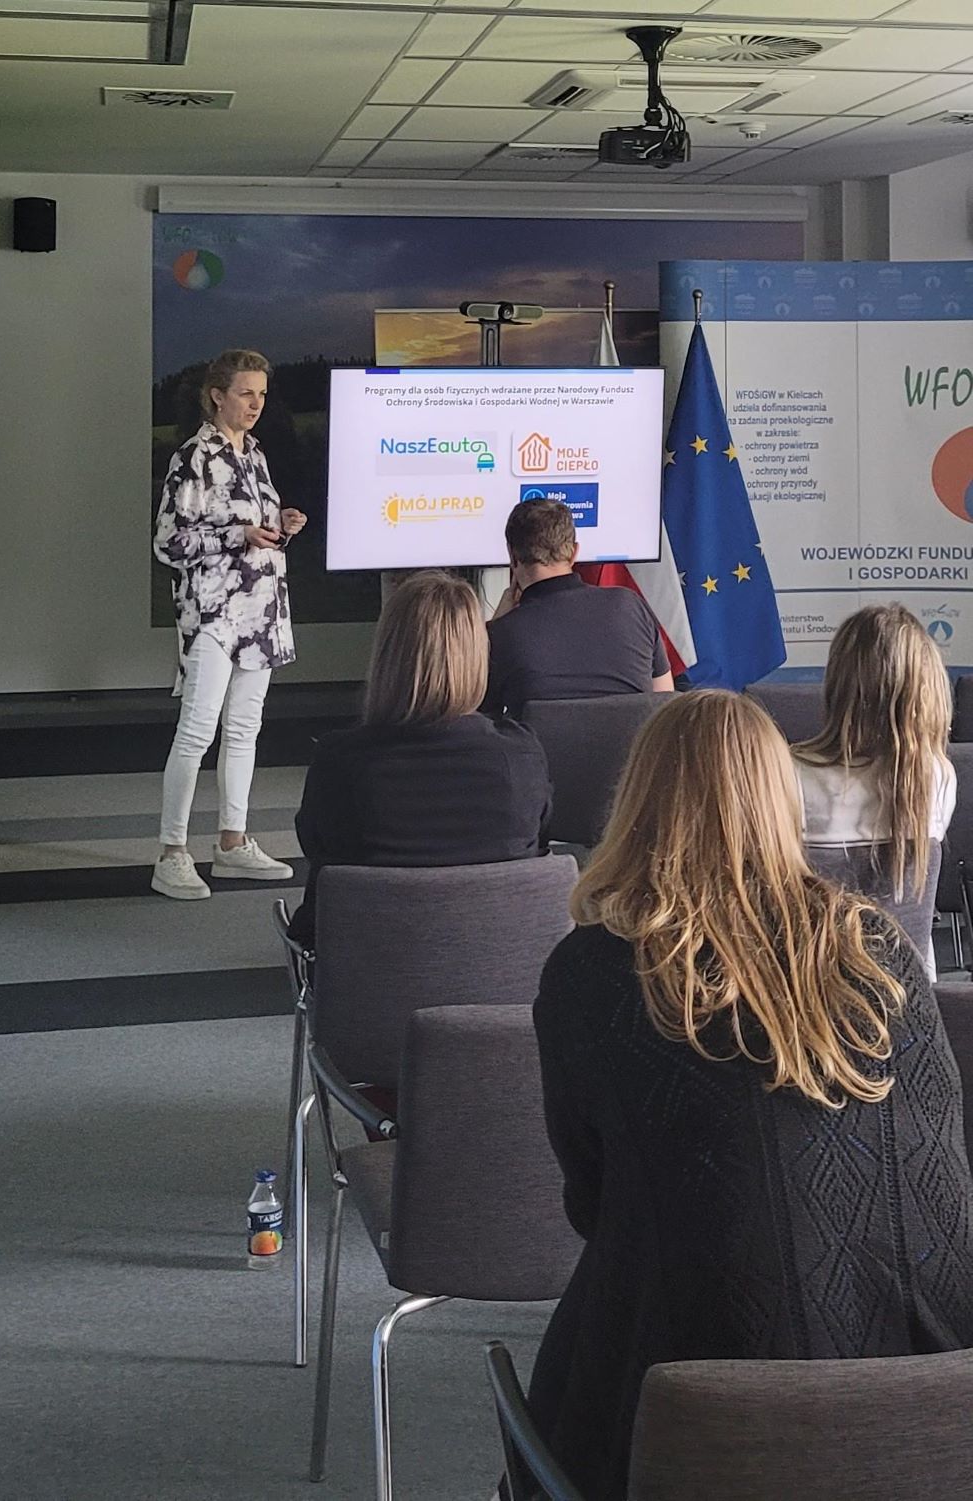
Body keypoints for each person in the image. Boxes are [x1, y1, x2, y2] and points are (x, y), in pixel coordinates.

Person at [529, 690, 973, 1501]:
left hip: (706, 1421)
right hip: (935, 1411)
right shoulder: (879, 948)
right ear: (779, 799)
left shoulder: (592, 974)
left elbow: (591, 1201)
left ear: (638, 802)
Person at [290, 570, 551, 946]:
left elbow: (317, 845)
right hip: (502, 966)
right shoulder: (520, 756)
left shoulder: (340, 762)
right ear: (478, 656)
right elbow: (536, 843)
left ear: (387, 655)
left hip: (368, 968)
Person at [152, 348, 307, 900]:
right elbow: (169, 543)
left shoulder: (255, 455)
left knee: (244, 729)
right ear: (217, 396)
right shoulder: (193, 458)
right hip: (213, 613)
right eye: (246, 393)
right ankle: (172, 852)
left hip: (260, 611)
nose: (255, 404)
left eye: (261, 394)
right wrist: (237, 535)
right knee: (197, 730)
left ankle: (232, 842)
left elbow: (251, 528)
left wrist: (280, 523)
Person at [791, 602, 955, 898]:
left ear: (839, 682)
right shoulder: (938, 774)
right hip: (906, 932)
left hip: (817, 930)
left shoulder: (790, 775)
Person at [483, 499, 673, 716]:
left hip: (545, 740)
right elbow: (665, 703)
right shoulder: (630, 606)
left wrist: (494, 627)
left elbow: (476, 718)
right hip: (635, 739)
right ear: (574, 553)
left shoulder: (501, 634)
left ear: (512, 556)